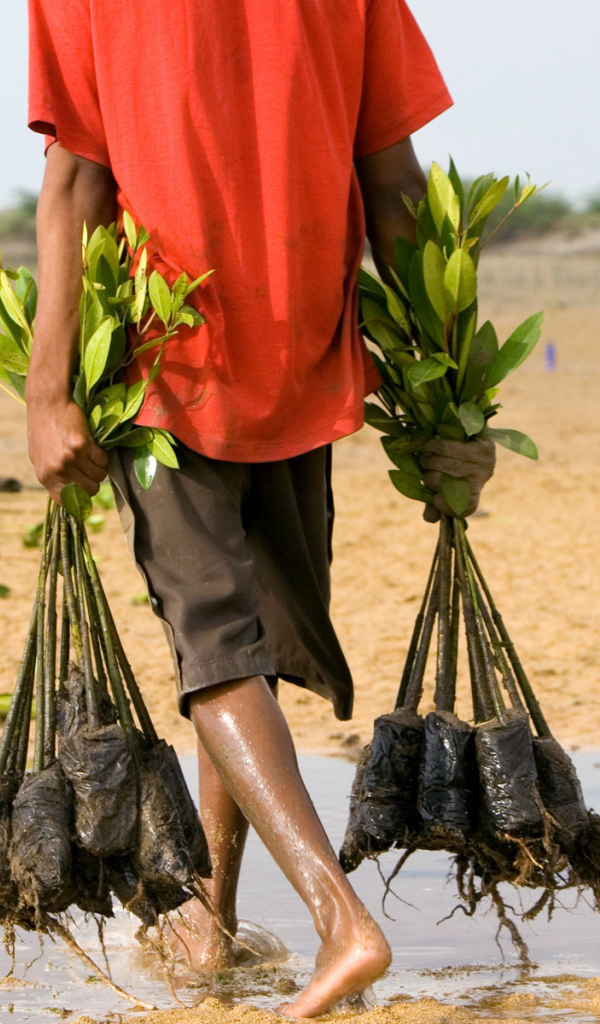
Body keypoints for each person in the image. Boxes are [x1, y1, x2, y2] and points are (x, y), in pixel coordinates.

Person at [25, 0, 494, 1016]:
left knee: (215, 654)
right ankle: (211, 915)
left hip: (168, 349)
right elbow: (396, 182)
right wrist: (440, 382)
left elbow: (73, 179)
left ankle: (341, 922)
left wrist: (48, 387)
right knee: (244, 654)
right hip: (307, 351)